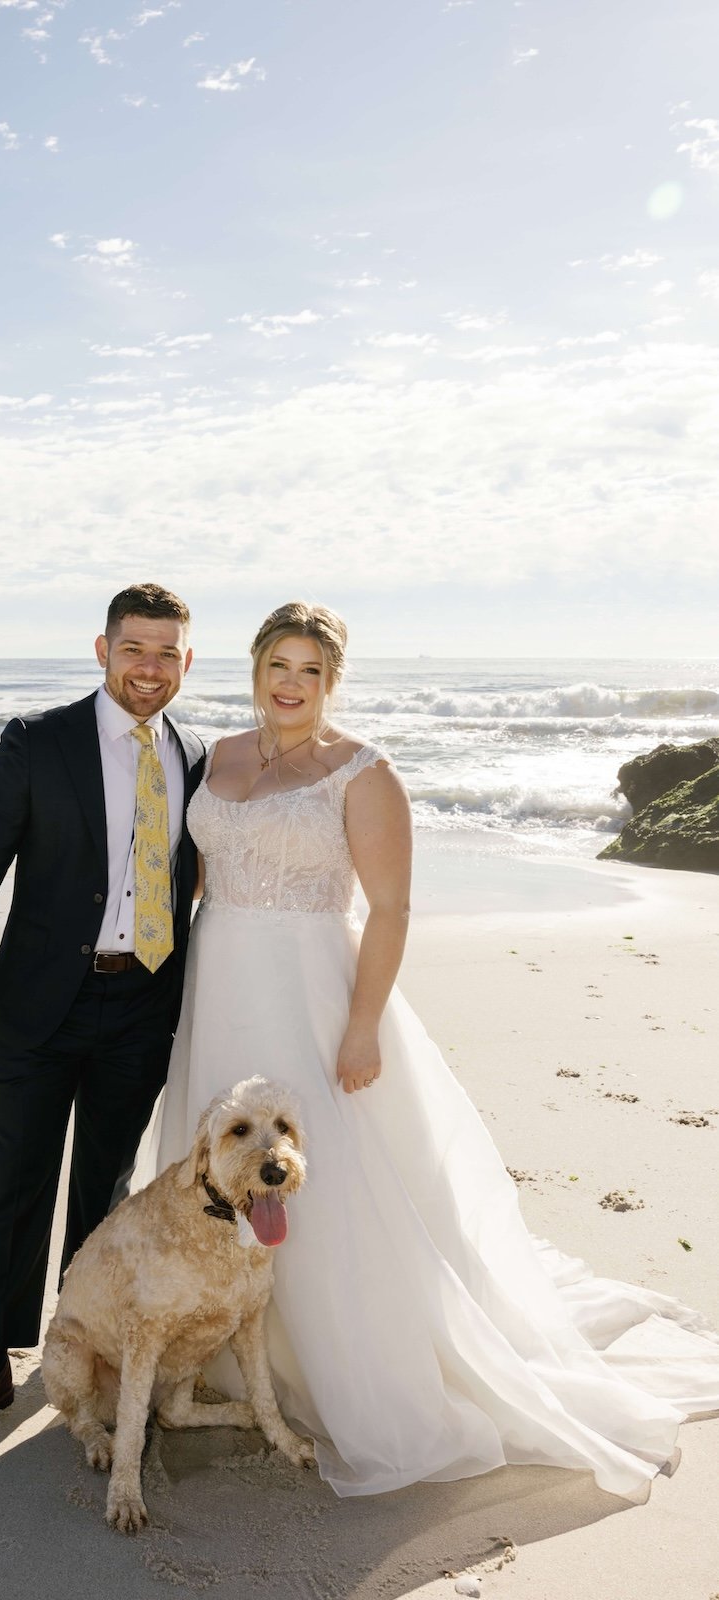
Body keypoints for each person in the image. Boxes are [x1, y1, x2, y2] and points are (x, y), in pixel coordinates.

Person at [146, 600, 719, 1499]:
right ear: (255, 667)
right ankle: (222, 1347)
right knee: (219, 1163)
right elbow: (200, 878)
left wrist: (363, 1024)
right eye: (278, 666)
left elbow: (392, 908)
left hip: (310, 995)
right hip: (218, 988)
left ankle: (331, 1363)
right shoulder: (217, 757)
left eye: (310, 671)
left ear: (332, 680)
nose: (291, 685)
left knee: (332, 1176)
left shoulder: (364, 773)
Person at [0, 583, 205, 1444]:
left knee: (105, 1192)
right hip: (42, 1000)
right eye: (133, 649)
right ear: (102, 650)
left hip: (145, 1001)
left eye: (166, 653)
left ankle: (83, 1343)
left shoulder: (196, 754)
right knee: (15, 1183)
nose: (149, 668)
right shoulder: (38, 741)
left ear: (186, 661)